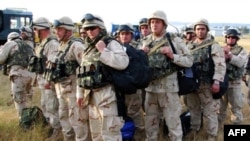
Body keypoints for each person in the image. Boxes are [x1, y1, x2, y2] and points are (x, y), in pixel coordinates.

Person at [139, 10, 193, 141]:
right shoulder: (145, 41)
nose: (154, 25)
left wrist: (172, 55)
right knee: (150, 124)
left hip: (169, 90)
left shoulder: (174, 40)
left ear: (164, 24)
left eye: (157, 22)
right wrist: (141, 54)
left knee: (173, 124)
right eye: (152, 22)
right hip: (150, 90)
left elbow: (189, 60)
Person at [77, 13, 129, 141]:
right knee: (97, 135)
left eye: (92, 28)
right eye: (87, 29)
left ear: (100, 28)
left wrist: (103, 51)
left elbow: (123, 62)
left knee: (110, 134)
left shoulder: (110, 43)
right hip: (91, 96)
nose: (89, 31)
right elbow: (82, 71)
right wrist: (80, 93)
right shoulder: (87, 48)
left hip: (107, 96)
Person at [185, 18, 226, 141]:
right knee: (193, 109)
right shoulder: (190, 45)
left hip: (207, 85)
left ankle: (212, 136)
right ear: (195, 30)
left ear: (207, 30)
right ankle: (195, 131)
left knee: (210, 112)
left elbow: (220, 65)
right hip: (192, 85)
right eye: (198, 29)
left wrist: (217, 82)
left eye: (203, 29)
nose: (200, 31)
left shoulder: (213, 45)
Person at [50, 16, 89, 141]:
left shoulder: (76, 46)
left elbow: (86, 69)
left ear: (68, 30)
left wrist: (81, 93)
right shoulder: (62, 45)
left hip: (73, 93)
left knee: (78, 123)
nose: (57, 32)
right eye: (56, 29)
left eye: (60, 29)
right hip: (62, 91)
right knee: (64, 119)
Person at [30, 17, 62, 141]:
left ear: (41, 29)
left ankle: (58, 133)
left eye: (36, 29)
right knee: (46, 106)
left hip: (49, 82)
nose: (34, 32)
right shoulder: (44, 43)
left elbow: (53, 64)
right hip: (43, 81)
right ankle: (52, 129)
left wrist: (49, 81)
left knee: (52, 107)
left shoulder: (52, 43)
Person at [116, 23, 145, 140]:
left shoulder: (137, 49)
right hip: (119, 89)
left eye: (127, 34)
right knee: (121, 115)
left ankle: (140, 136)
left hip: (133, 89)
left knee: (135, 113)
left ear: (132, 35)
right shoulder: (115, 49)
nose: (124, 36)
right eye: (122, 34)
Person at [0, 32, 35, 119]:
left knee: (19, 100)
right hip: (31, 75)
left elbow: (1, 59)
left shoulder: (10, 43)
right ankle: (31, 119)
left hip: (18, 74)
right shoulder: (28, 45)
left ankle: (23, 122)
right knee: (27, 99)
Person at [218, 29, 248, 125]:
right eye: (228, 37)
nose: (230, 39)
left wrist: (230, 55)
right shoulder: (220, 49)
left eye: (233, 37)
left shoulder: (241, 50)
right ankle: (219, 131)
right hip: (222, 83)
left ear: (237, 39)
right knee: (220, 108)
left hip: (234, 84)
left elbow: (240, 62)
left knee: (235, 109)